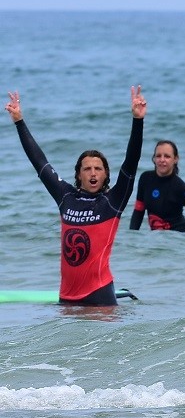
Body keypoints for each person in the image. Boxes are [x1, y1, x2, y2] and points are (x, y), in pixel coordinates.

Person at [5, 86, 148, 306]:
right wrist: (19, 122)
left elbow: (131, 162)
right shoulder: (66, 197)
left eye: (98, 169)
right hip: (66, 297)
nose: (92, 173)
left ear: (105, 174)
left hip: (99, 295)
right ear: (78, 174)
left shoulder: (113, 201)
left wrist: (137, 121)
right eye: (87, 168)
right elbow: (40, 163)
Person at [128, 140, 185, 235]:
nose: (162, 160)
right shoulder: (145, 179)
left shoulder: (182, 189)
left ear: (175, 159)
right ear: (154, 159)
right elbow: (138, 212)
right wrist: (132, 239)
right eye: (158, 156)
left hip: (179, 239)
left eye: (167, 156)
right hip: (157, 240)